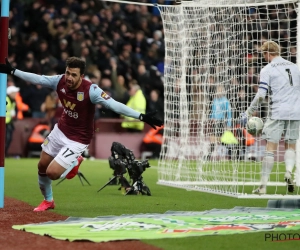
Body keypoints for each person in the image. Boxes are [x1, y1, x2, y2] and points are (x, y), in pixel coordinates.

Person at [0, 57, 163, 211]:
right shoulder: (60, 81)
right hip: (60, 130)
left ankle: (74, 161)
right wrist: (13, 71)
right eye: (68, 73)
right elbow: (39, 79)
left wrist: (141, 116)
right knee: (41, 166)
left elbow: (114, 105)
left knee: (52, 173)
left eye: (73, 75)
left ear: (81, 76)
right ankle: (48, 201)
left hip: (77, 139)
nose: (69, 78)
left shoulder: (91, 90)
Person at [240, 41, 300, 194]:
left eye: (263, 54)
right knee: (290, 145)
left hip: (278, 110)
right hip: (295, 111)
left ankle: (263, 187)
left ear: (267, 53)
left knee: (270, 149)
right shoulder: (295, 67)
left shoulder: (267, 69)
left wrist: (248, 111)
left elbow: (261, 95)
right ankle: (288, 172)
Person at [5, 86, 19, 155]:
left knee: (8, 139)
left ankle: (4, 154)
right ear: (10, 93)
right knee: (6, 139)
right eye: (14, 93)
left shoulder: (13, 101)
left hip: (9, 122)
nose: (16, 94)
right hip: (4, 122)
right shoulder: (5, 99)